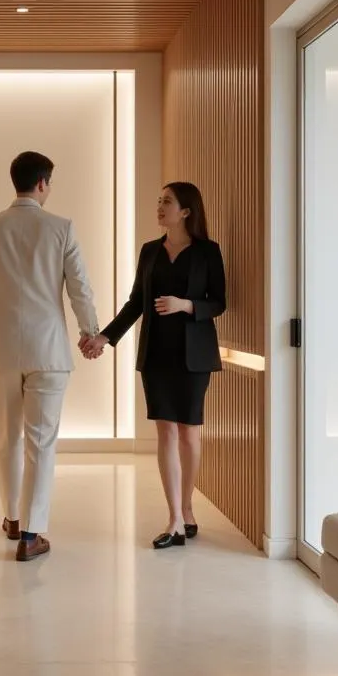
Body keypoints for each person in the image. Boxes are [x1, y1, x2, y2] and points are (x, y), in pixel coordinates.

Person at [0, 151, 99, 562]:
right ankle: (32, 535)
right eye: (49, 183)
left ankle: (12, 519)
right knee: (41, 442)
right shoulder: (61, 228)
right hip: (49, 351)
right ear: (41, 184)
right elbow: (80, 291)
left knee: (6, 437)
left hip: (0, 350)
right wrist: (91, 333)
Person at [83, 182, 226, 549]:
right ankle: (175, 518)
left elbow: (219, 302)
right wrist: (104, 337)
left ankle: (187, 506)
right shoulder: (149, 251)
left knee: (189, 432)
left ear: (186, 211)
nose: (159, 207)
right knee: (165, 432)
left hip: (194, 353)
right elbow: (136, 303)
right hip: (157, 353)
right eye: (158, 200)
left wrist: (187, 305)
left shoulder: (208, 252)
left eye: (167, 201)